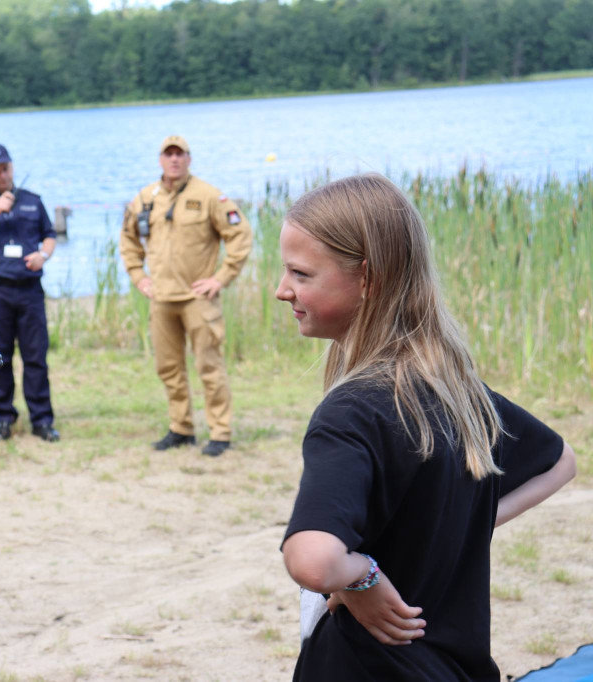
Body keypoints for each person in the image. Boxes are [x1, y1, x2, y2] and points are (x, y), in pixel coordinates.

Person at [276, 174, 576, 680]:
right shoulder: (456, 391)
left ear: (368, 279)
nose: (282, 290)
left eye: (301, 273)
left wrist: (363, 577)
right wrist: (458, 528)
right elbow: (559, 462)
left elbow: (314, 560)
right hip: (452, 668)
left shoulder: (351, 413)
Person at [119, 135, 252, 457]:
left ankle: (220, 432)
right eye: (169, 154)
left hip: (197, 299)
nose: (174, 160)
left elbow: (240, 234)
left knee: (209, 366)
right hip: (162, 299)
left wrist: (220, 278)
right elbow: (128, 240)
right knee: (169, 368)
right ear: (161, 160)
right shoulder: (144, 198)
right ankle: (181, 428)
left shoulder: (208, 196)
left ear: (189, 159)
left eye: (180, 154)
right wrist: (139, 277)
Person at [0, 143, 59, 442]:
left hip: (30, 289)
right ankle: (4, 418)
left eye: (5, 168)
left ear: (11, 167)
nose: (2, 174)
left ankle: (42, 419)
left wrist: (44, 255)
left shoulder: (32, 201)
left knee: (36, 356)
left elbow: (50, 236)